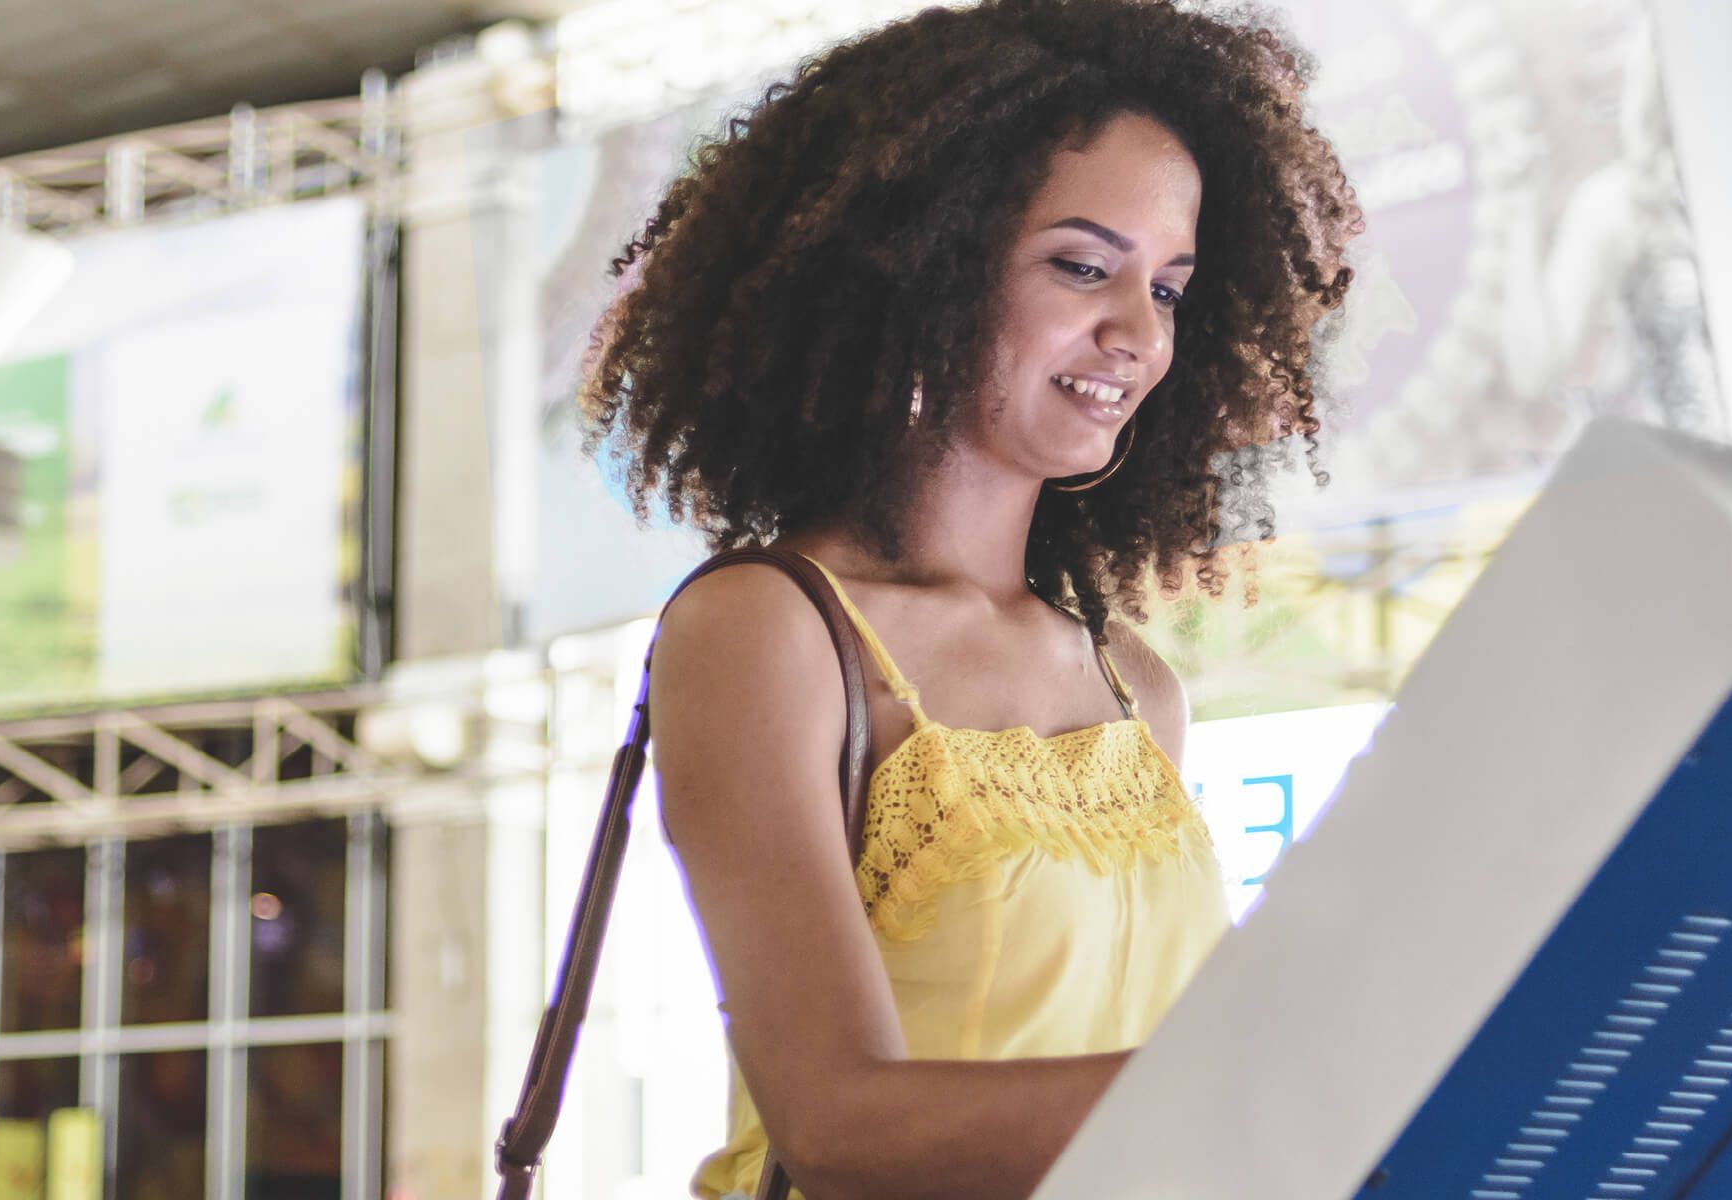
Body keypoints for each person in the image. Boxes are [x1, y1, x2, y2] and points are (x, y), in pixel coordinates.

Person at [577, 1, 1361, 1197]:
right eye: (1083, 266)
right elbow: (835, 1123)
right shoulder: (772, 629)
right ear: (922, 267)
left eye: (1171, 289)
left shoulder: (1133, 686)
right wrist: (1268, 1079)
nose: (1137, 334)